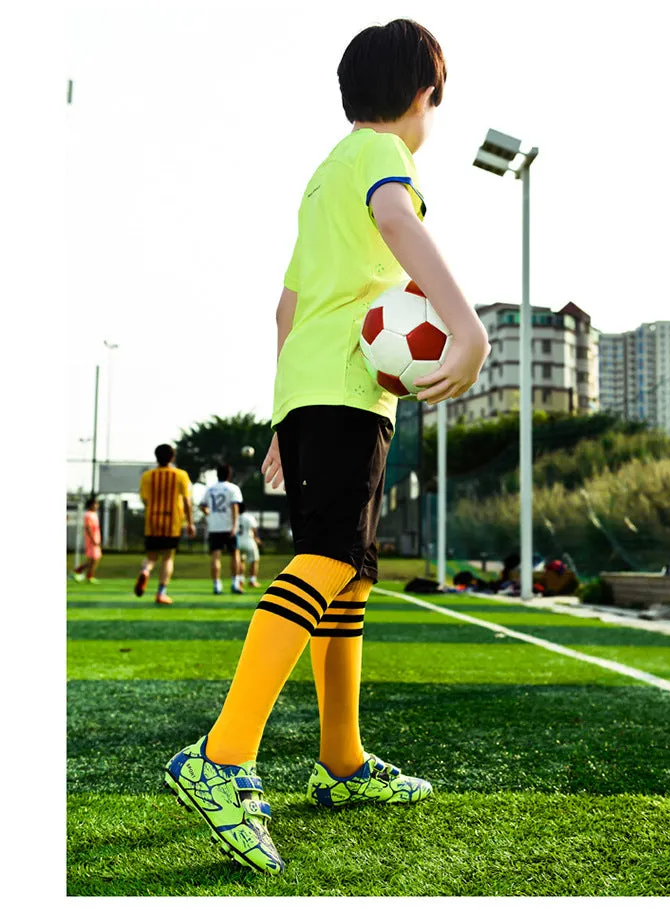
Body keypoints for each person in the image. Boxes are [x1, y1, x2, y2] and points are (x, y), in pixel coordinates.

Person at [165, 19, 489, 874]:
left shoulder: (322, 176)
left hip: (317, 386)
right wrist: (467, 327)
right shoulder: (387, 160)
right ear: (426, 98)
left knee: (348, 567)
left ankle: (340, 762)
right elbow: (395, 218)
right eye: (434, 103)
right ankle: (222, 755)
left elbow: (286, 307)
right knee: (327, 558)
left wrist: (283, 416)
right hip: (346, 388)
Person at [135, 443, 195, 605]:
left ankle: (145, 571)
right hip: (173, 522)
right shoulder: (181, 475)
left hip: (152, 522)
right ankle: (161, 593)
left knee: (151, 557)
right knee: (168, 558)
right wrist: (190, 523)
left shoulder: (147, 476)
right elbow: (187, 501)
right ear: (172, 457)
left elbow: (145, 500)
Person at [199, 464, 244, 594]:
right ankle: (235, 583)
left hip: (214, 526)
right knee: (235, 554)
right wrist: (235, 525)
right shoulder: (233, 488)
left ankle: (217, 585)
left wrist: (210, 514)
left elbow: (202, 505)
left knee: (216, 556)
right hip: (229, 525)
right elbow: (235, 507)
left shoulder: (210, 489)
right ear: (229, 475)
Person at [72, 496, 102, 583]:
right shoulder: (88, 515)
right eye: (95, 504)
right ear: (91, 505)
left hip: (96, 539)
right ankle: (78, 572)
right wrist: (93, 539)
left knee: (95, 558)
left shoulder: (94, 514)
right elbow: (88, 528)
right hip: (91, 540)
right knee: (94, 558)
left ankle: (89, 575)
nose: (97, 506)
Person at [236, 502, 261, 588]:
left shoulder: (234, 516)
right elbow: (254, 529)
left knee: (240, 561)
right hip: (249, 541)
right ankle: (252, 580)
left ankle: (240, 580)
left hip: (238, 541)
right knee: (254, 561)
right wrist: (257, 538)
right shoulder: (249, 517)